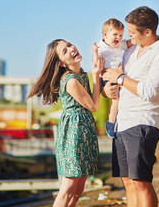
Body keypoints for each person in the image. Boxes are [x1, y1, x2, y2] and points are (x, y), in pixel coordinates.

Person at [102, 6, 159, 207]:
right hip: (122, 122)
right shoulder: (131, 49)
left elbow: (149, 91)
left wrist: (121, 78)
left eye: (133, 32)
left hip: (143, 121)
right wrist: (107, 90)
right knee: (127, 181)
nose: (129, 35)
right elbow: (114, 75)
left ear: (148, 32)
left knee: (140, 181)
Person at [27, 39, 104, 207]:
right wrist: (96, 74)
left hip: (84, 130)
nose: (71, 48)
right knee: (68, 187)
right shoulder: (70, 80)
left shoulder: (80, 74)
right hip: (73, 134)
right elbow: (94, 105)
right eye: (65, 50)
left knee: (78, 188)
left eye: (69, 45)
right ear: (61, 63)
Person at [96, 18, 132, 137]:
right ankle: (111, 123)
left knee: (120, 97)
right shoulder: (101, 47)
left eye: (121, 35)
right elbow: (96, 62)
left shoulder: (119, 45)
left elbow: (128, 43)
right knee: (116, 99)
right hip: (107, 76)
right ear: (105, 35)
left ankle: (115, 119)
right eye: (115, 34)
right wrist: (95, 52)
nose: (118, 37)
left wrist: (137, 40)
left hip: (116, 75)